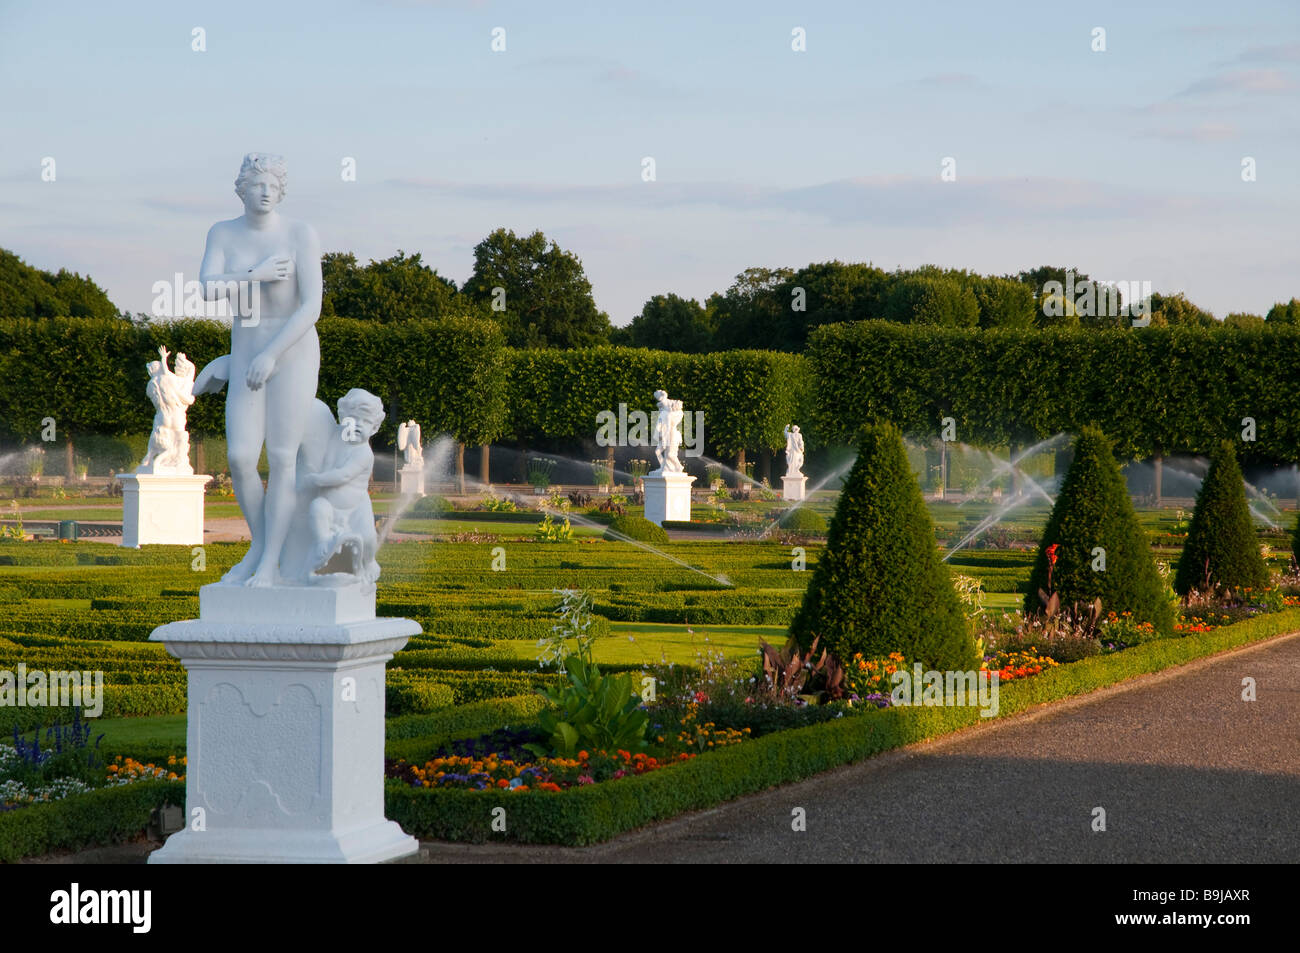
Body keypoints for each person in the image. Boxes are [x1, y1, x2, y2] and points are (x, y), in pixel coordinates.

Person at [198, 153, 323, 587]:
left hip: (292, 352)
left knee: (284, 458)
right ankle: (261, 546)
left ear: (281, 190)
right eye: (257, 185)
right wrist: (255, 273)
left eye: (272, 185)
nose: (265, 192)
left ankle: (270, 563)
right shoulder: (224, 233)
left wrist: (271, 354)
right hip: (248, 350)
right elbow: (208, 288)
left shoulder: (300, 233)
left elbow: (312, 306)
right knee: (240, 457)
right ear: (242, 190)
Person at [302, 389, 385, 584]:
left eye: (365, 423)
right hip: (329, 502)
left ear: (374, 429)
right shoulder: (335, 438)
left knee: (368, 538)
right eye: (353, 419)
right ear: (342, 418)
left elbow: (344, 475)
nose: (357, 426)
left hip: (356, 506)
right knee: (317, 509)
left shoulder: (364, 453)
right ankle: (322, 543)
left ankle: (369, 561)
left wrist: (316, 479)